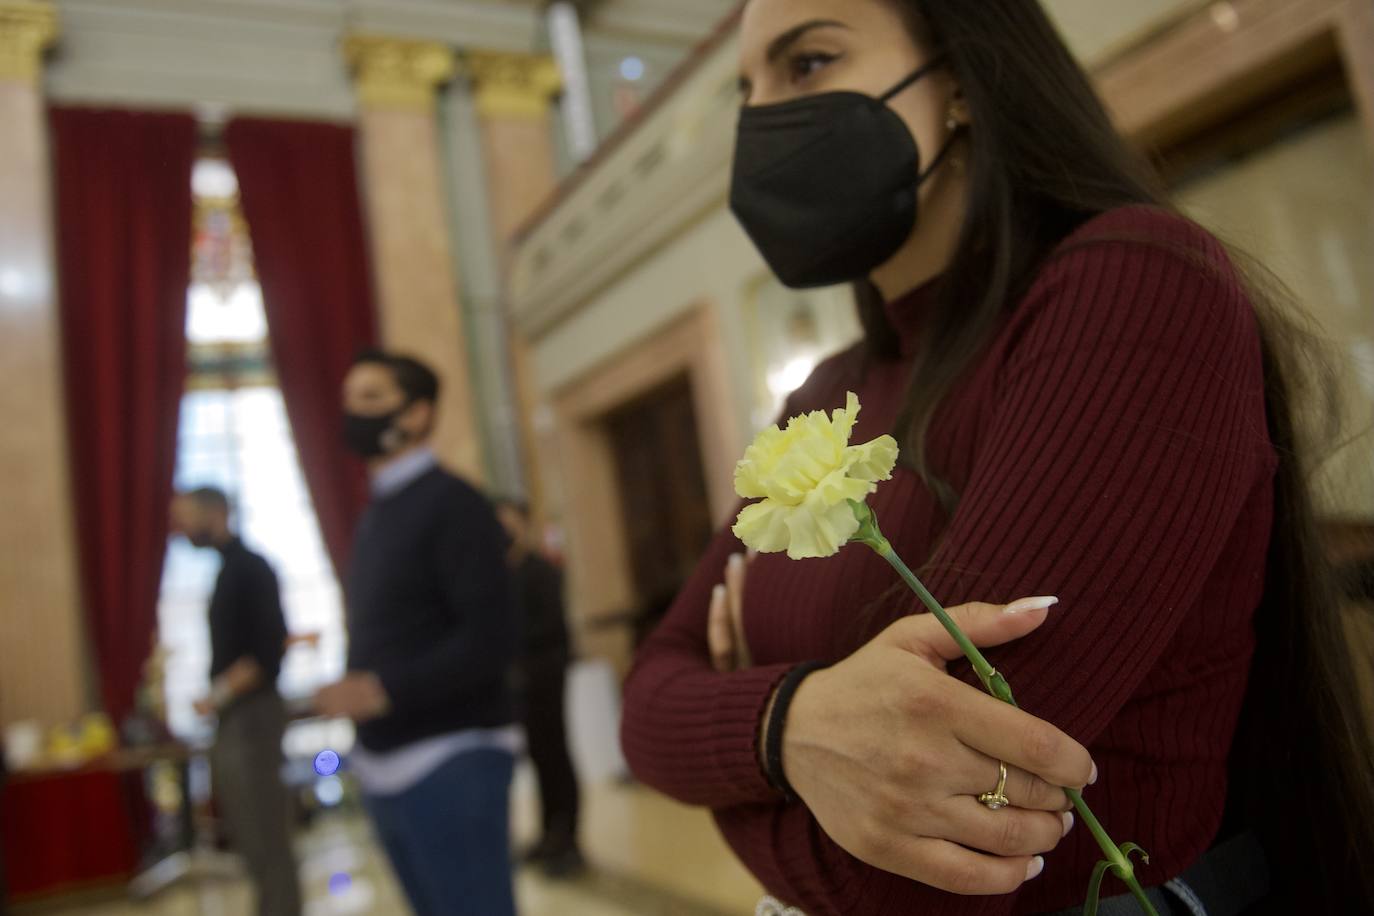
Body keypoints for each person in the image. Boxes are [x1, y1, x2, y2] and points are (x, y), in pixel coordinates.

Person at [619, 2, 1374, 915]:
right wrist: (792, 730)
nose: (762, 118)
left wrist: (737, 750)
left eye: (809, 62)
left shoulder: (1130, 287)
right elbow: (646, 703)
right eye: (747, 91)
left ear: (964, 81)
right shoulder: (826, 391)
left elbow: (913, 874)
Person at [316, 350, 520, 916]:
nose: (354, 411)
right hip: (387, 758)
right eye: (349, 399)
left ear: (417, 414)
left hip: (452, 755)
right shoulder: (379, 511)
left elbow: (491, 638)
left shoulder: (454, 503)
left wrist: (382, 689)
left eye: (373, 398)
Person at [170, 487, 300, 916]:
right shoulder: (227, 570)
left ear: (216, 513)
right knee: (249, 832)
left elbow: (265, 652)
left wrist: (218, 695)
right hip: (235, 717)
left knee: (267, 831)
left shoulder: (251, 568)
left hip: (253, 716)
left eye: (187, 516)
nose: (181, 527)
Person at [495, 499, 584, 878]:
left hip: (545, 677)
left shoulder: (540, 572)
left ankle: (568, 840)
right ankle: (548, 833)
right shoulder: (499, 576)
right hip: (518, 683)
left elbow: (552, 630)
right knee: (537, 758)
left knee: (555, 756)